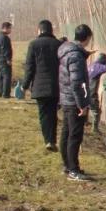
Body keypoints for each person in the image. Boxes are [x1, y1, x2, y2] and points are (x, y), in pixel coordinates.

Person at [58, 24, 93, 182]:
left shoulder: (68, 51)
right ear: (86, 38)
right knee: (74, 135)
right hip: (74, 102)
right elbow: (76, 82)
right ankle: (73, 169)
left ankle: (67, 165)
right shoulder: (76, 56)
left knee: (66, 133)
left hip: (66, 99)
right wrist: (82, 105)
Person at [21, 20, 62, 151]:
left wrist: (25, 85)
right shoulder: (58, 44)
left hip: (39, 86)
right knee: (53, 113)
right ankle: (53, 139)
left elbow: (29, 67)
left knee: (44, 114)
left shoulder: (33, 44)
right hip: (55, 86)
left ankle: (48, 140)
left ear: (39, 30)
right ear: (51, 30)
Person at [87, 52, 106, 133]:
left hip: (83, 91)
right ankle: (94, 129)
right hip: (91, 92)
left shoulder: (90, 65)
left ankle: (85, 122)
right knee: (96, 111)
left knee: (85, 107)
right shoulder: (99, 66)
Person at [0, 22, 13, 98]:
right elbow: (5, 49)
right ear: (5, 28)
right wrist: (8, 59)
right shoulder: (4, 38)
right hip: (4, 60)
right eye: (10, 28)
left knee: (0, 76)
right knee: (6, 76)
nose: (10, 30)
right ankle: (6, 94)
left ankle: (0, 92)